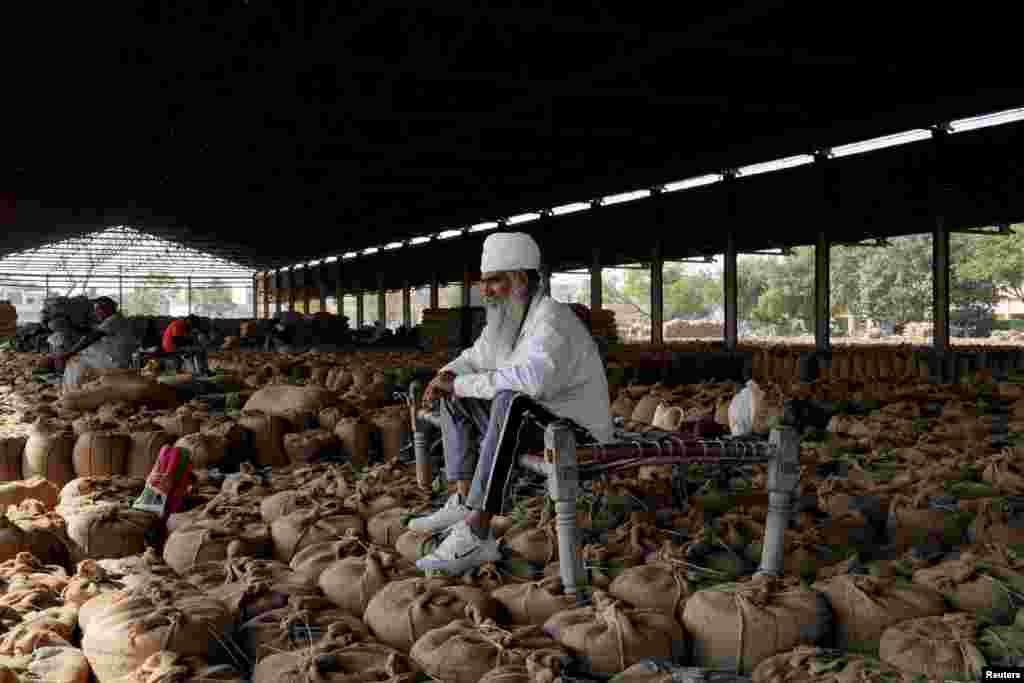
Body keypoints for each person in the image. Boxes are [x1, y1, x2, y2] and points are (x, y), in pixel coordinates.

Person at [410, 232, 613, 575]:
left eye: (493, 282)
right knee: (455, 391)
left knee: (509, 398)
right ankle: (463, 500)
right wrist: (445, 376)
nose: (485, 291)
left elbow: (530, 383)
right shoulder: (506, 322)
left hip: (575, 432)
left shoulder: (552, 320)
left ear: (520, 279)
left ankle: (478, 532)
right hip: (535, 425)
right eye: (484, 282)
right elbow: (474, 358)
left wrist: (459, 384)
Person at [54, 297, 140, 391]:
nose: (95, 313)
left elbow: (91, 338)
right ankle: (78, 388)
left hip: (115, 362)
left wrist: (69, 353)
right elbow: (93, 333)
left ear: (106, 309)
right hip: (119, 359)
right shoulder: (118, 319)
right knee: (84, 353)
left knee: (75, 360)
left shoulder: (113, 320)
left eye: (97, 310)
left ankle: (70, 391)